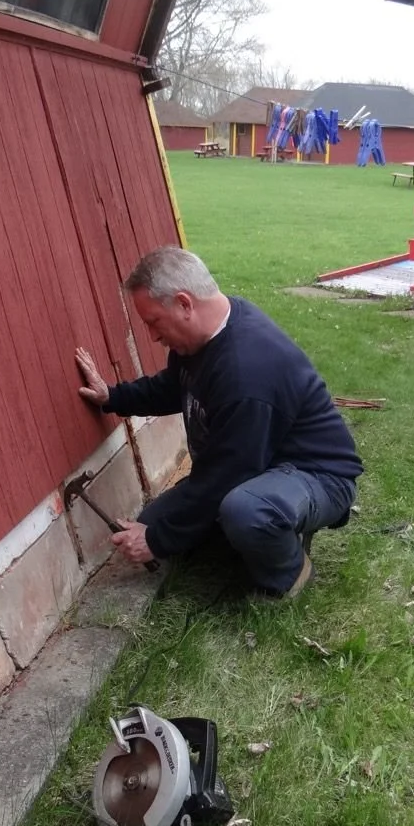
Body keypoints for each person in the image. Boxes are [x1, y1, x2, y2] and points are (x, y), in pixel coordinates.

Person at [75, 246, 362, 598]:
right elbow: (172, 387)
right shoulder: (202, 341)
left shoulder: (246, 368)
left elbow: (228, 475)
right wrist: (113, 397)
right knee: (155, 523)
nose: (152, 335)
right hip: (258, 465)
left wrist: (157, 540)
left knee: (245, 510)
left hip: (317, 474)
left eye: (153, 322)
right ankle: (260, 529)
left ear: (184, 304)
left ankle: (289, 574)